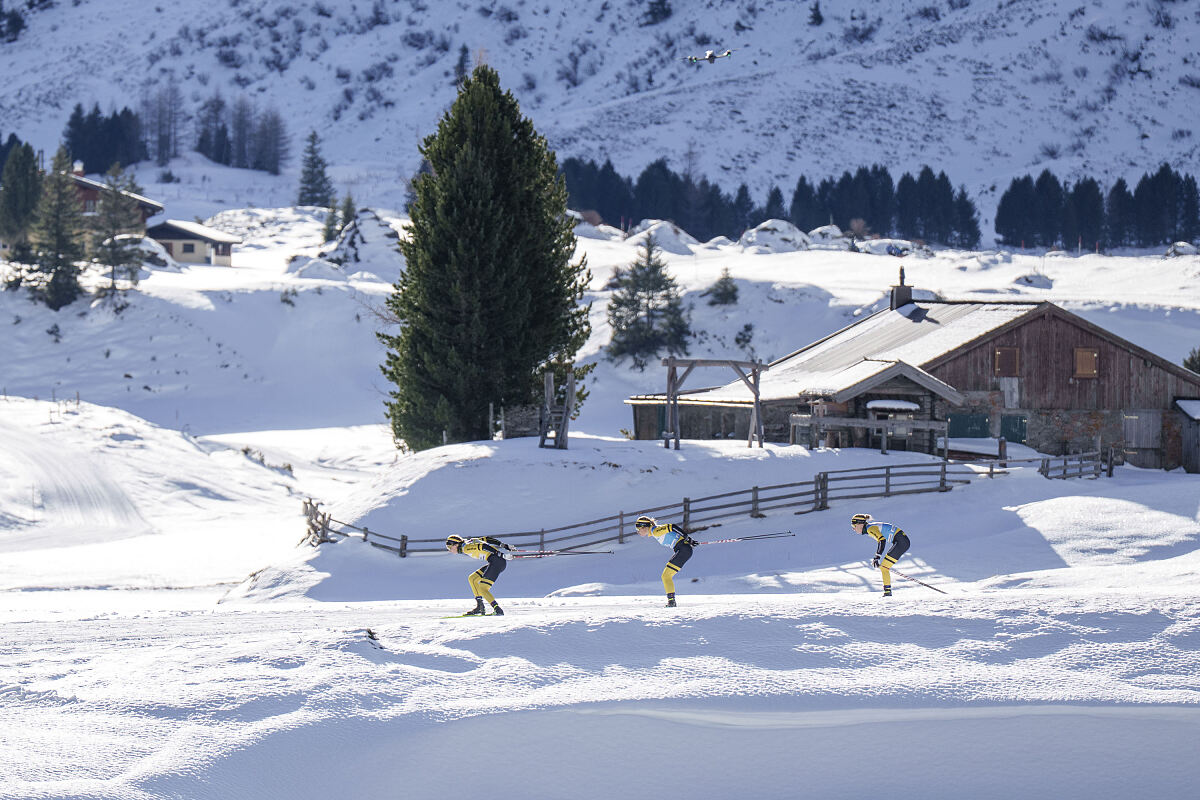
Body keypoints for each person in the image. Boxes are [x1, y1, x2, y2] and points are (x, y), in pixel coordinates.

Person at [633, 515, 698, 607]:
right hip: (683, 549)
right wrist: (688, 540)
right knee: (666, 576)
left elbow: (672, 527)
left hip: (683, 549)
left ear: (644, 527)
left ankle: (671, 602)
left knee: (666, 576)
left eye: (638, 528)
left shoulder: (655, 531)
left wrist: (688, 539)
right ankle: (671, 601)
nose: (637, 531)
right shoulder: (654, 531)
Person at [445, 534, 513, 615]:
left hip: (497, 562)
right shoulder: (468, 542)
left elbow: (483, 546)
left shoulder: (466, 548)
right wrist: (504, 545)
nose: (449, 550)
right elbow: (486, 539)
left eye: (449, 547)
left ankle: (498, 610)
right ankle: (480, 607)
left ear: (456, 544)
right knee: (473, 578)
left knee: (482, 588)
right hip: (495, 561)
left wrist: (501, 554)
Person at [850, 513, 910, 597]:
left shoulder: (870, 528)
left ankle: (887, 592)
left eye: (854, 526)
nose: (853, 529)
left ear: (860, 524)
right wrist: (877, 557)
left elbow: (882, 540)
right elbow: (882, 540)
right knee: (884, 567)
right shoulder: (869, 527)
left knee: (884, 567)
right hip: (901, 541)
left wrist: (877, 557)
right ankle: (887, 591)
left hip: (901, 542)